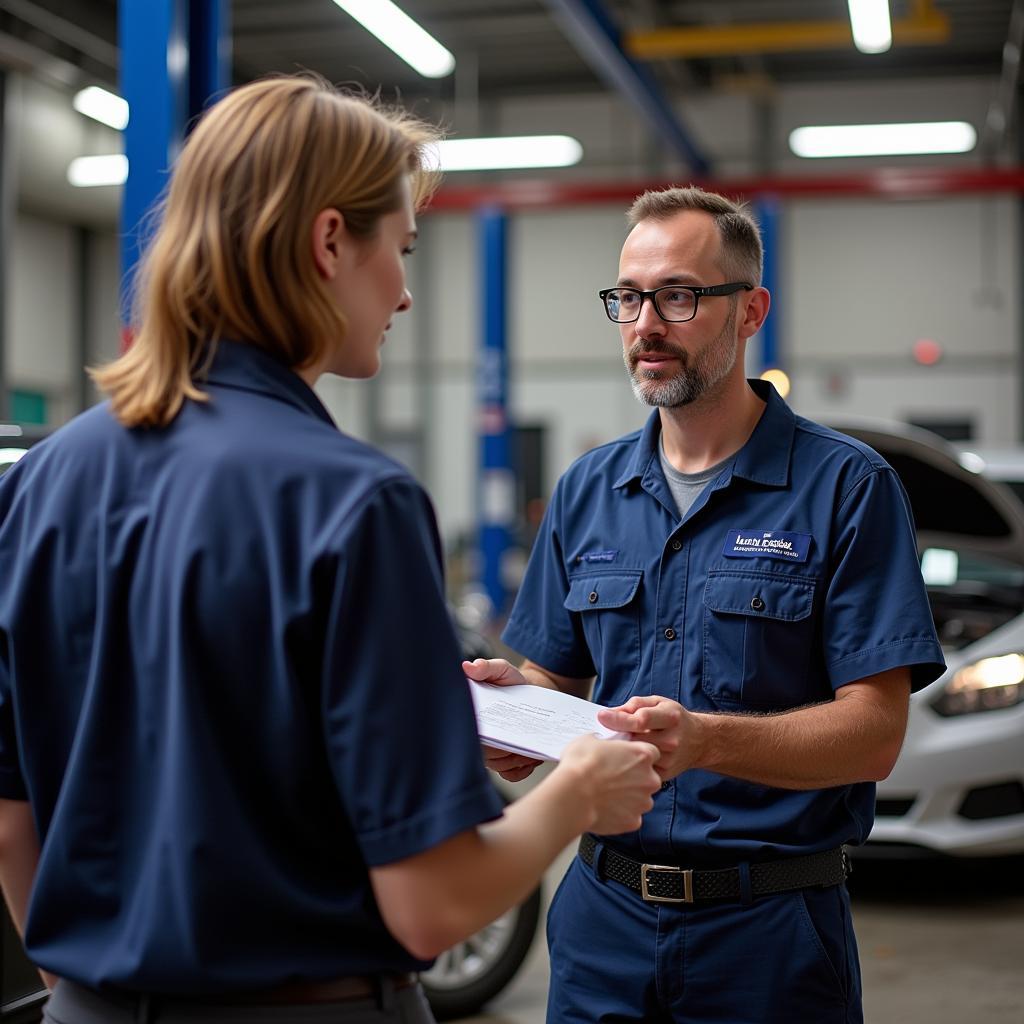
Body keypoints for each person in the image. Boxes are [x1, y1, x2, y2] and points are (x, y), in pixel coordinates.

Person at [0, 76, 662, 1024]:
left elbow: (12, 815)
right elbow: (431, 906)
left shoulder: (39, 484)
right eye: (399, 248)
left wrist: (92, 981)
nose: (400, 289)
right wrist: (577, 795)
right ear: (327, 243)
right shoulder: (354, 503)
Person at [465, 185, 945, 1024]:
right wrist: (517, 715)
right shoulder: (587, 490)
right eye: (628, 298)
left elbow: (875, 735)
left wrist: (705, 741)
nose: (646, 323)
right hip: (600, 926)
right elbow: (557, 675)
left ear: (750, 309)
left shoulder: (846, 490)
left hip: (769, 937)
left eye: (679, 295)